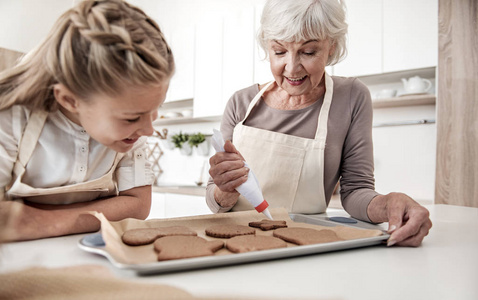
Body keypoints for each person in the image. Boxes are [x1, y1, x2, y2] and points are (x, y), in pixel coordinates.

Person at [206, 0, 432, 247]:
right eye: (279, 51)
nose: (292, 68)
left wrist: (390, 204)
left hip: (304, 246)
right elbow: (213, 198)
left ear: (331, 48)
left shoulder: (351, 97)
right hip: (238, 243)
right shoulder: (242, 103)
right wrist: (224, 191)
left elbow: (356, 191)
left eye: (308, 52)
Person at [0, 0, 174, 241]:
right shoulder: (12, 116)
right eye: (132, 117)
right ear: (70, 100)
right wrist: (106, 211)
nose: (148, 130)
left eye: (155, 110)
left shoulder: (132, 131)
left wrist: (37, 221)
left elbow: (138, 206)